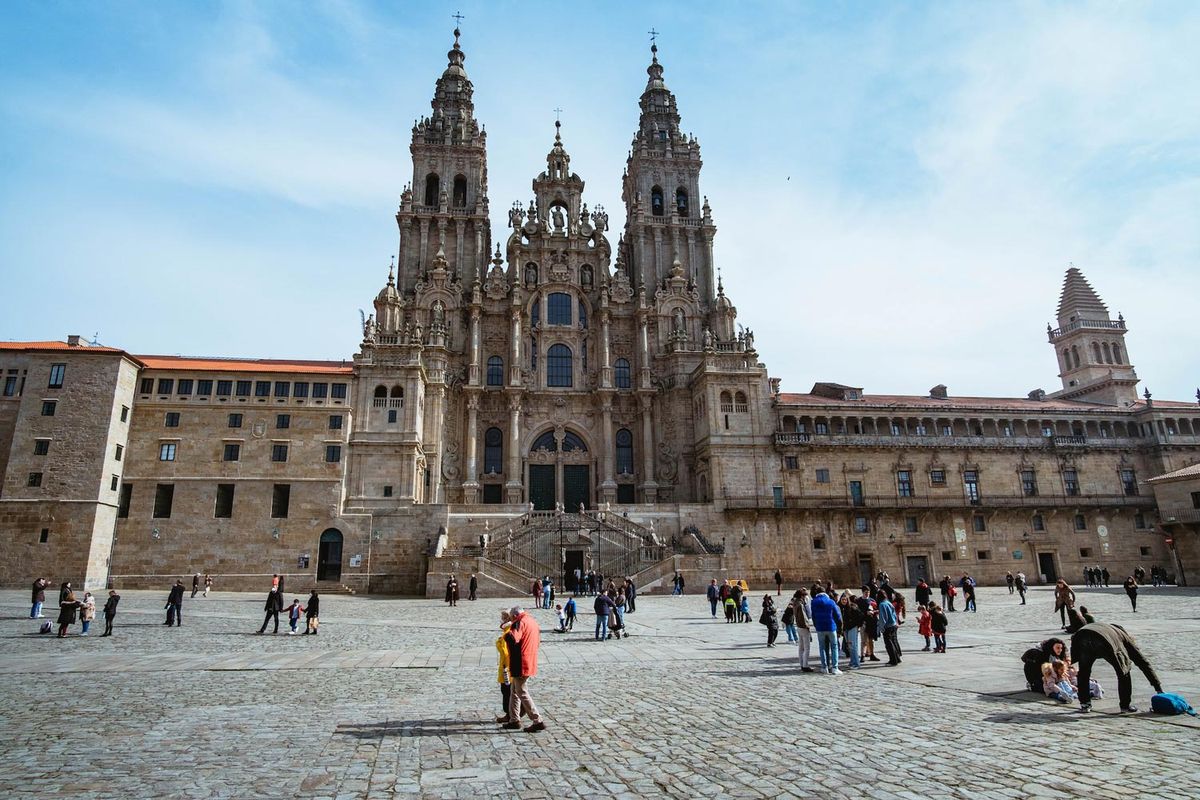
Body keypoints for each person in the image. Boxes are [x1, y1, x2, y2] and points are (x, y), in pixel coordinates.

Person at [1072, 622, 1163, 713]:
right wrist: (1158, 688)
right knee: (1124, 672)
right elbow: (1143, 662)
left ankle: (1085, 704)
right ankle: (1125, 706)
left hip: (1081, 636)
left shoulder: (1111, 630)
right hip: (1103, 640)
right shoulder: (1124, 638)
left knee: (1084, 673)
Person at [502, 605, 547, 733]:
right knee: (514, 690)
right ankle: (514, 720)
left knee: (521, 691)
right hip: (530, 659)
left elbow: (512, 638)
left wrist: (507, 628)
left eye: (511, 618)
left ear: (515, 616)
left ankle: (537, 720)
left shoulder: (519, 623)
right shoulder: (532, 621)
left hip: (520, 662)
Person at [811, 584, 842, 675]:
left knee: (822, 648)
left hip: (820, 628)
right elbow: (837, 616)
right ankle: (835, 668)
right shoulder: (831, 602)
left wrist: (816, 625)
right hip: (831, 627)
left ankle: (824, 667)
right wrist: (839, 625)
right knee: (834, 647)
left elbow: (813, 616)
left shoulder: (814, 602)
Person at [838, 592, 863, 670]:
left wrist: (856, 625)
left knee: (853, 646)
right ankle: (852, 661)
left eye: (845, 599)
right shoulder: (840, 607)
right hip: (846, 629)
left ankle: (856, 663)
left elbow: (860, 616)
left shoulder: (853, 607)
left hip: (852, 628)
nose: (844, 601)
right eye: (842, 599)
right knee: (849, 646)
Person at [792, 589, 814, 672]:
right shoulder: (800, 605)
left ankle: (802, 664)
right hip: (803, 627)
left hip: (798, 626)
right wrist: (807, 626)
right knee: (806, 647)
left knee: (801, 647)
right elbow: (803, 617)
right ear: (802, 596)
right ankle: (805, 665)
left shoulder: (795, 603)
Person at [878, 592, 902, 666]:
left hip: (887, 626)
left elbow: (883, 618)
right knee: (893, 642)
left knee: (889, 644)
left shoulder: (882, 604)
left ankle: (893, 661)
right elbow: (894, 614)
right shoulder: (888, 602)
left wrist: (881, 628)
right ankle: (897, 658)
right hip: (893, 625)